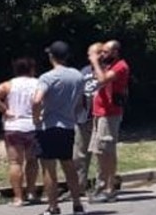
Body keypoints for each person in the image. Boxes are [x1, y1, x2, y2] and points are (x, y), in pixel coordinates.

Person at [33, 41, 87, 215]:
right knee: (68, 165)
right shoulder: (77, 76)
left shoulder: (47, 77)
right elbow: (79, 103)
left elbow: (36, 99)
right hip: (68, 125)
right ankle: (77, 204)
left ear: (51, 56)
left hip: (49, 125)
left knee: (49, 167)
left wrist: (36, 117)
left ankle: (53, 207)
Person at [0, 57, 41, 206]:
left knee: (15, 162)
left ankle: (18, 197)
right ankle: (31, 192)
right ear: (31, 69)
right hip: (33, 126)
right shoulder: (38, 84)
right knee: (32, 161)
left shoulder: (9, 84)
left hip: (13, 126)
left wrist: (5, 110)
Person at [88, 40, 129, 203]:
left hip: (110, 113)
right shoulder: (108, 66)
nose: (102, 55)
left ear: (115, 52)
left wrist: (94, 62)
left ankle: (110, 188)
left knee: (107, 150)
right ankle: (101, 184)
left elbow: (103, 80)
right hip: (99, 113)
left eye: (105, 52)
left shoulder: (120, 66)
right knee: (99, 151)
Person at [74, 42, 102, 191]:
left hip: (100, 118)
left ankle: (100, 186)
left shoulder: (106, 70)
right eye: (89, 54)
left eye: (94, 53)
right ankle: (79, 186)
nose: (90, 57)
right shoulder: (84, 71)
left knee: (100, 153)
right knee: (79, 154)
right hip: (83, 117)